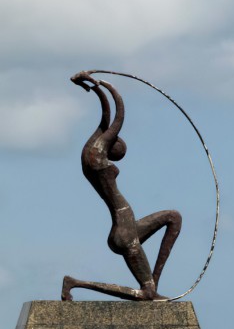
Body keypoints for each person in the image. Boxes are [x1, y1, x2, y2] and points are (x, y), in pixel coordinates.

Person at [61, 71, 182, 301]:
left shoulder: (91, 157)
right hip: (125, 233)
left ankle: (154, 283)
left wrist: (95, 88)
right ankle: (75, 283)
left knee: (174, 217)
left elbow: (106, 118)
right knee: (145, 294)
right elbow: (118, 118)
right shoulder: (97, 161)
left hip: (128, 226)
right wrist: (107, 87)